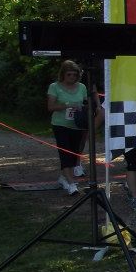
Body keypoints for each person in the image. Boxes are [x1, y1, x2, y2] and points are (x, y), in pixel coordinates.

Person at [46, 60, 86, 195]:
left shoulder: (82, 87)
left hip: (77, 125)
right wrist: (67, 105)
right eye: (69, 75)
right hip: (60, 124)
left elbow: (86, 103)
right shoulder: (54, 87)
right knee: (65, 153)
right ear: (63, 74)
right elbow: (50, 107)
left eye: (75, 75)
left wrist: (84, 110)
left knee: (74, 154)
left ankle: (64, 177)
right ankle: (71, 183)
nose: (72, 78)